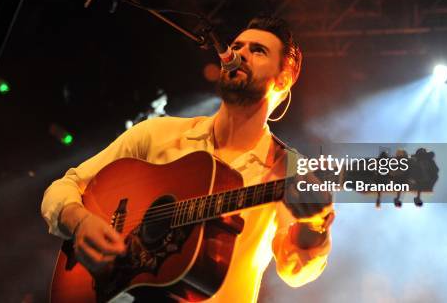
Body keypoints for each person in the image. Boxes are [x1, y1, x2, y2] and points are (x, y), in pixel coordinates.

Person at [41, 15, 334, 302]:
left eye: (258, 51)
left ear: (283, 79)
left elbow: (294, 270)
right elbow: (64, 187)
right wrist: (79, 222)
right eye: (238, 46)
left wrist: (314, 226)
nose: (240, 53)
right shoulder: (156, 133)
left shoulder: (289, 168)